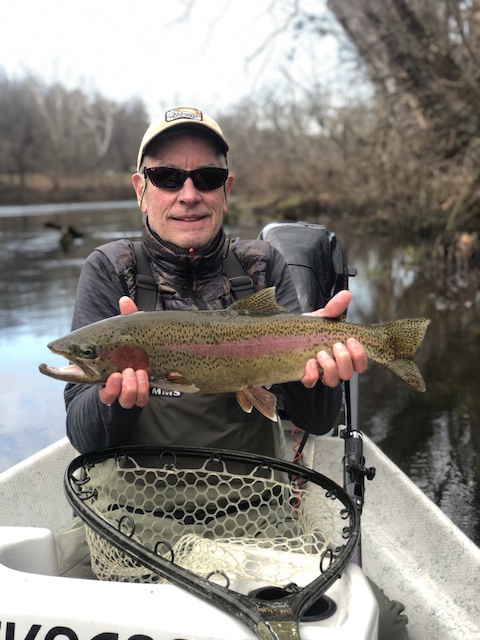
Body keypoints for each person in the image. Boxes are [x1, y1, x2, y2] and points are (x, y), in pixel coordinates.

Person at [58, 106, 408, 639]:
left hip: (255, 512)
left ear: (227, 188)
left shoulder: (262, 266)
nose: (189, 192)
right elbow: (83, 437)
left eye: (208, 177)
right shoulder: (111, 271)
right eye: (168, 177)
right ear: (140, 187)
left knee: (379, 624)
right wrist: (113, 400)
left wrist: (322, 374)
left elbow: (313, 421)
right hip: (133, 517)